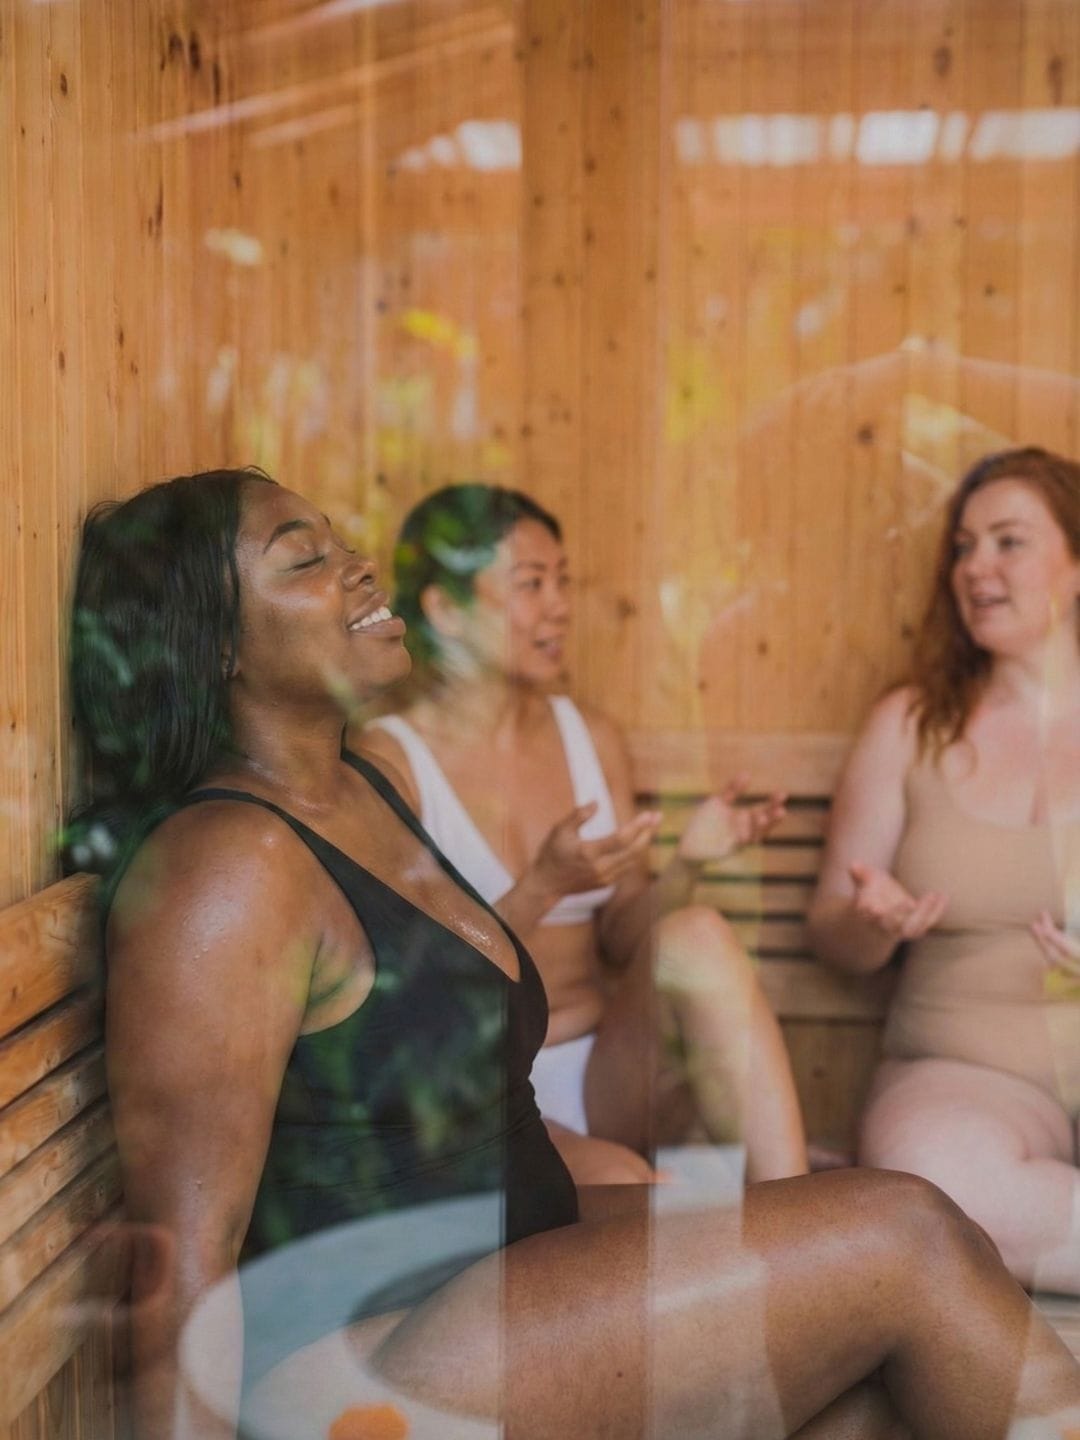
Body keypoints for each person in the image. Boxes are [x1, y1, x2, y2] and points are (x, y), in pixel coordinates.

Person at [71, 467, 1080, 1439]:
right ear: (215, 649)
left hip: (501, 1269)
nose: (359, 566)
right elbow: (180, 1271)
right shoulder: (227, 869)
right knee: (903, 1234)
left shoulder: (356, 796)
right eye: (304, 561)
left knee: (900, 1373)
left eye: (342, 542)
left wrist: (719, 1218)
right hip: (367, 1351)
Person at [362, 484, 806, 1185]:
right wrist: (541, 889)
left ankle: (799, 1209)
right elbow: (411, 996)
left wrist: (687, 864)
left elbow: (629, 941)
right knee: (634, 1196)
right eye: (531, 584)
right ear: (446, 609)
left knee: (697, 934)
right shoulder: (392, 762)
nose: (561, 606)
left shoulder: (588, 738)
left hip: (606, 1073)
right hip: (483, 1092)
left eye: (563, 582)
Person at [808, 446, 1080, 1295]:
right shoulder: (911, 725)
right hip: (967, 1081)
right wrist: (871, 920)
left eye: (1007, 542)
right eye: (963, 547)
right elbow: (835, 939)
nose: (976, 569)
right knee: (938, 1187)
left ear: (1075, 564)